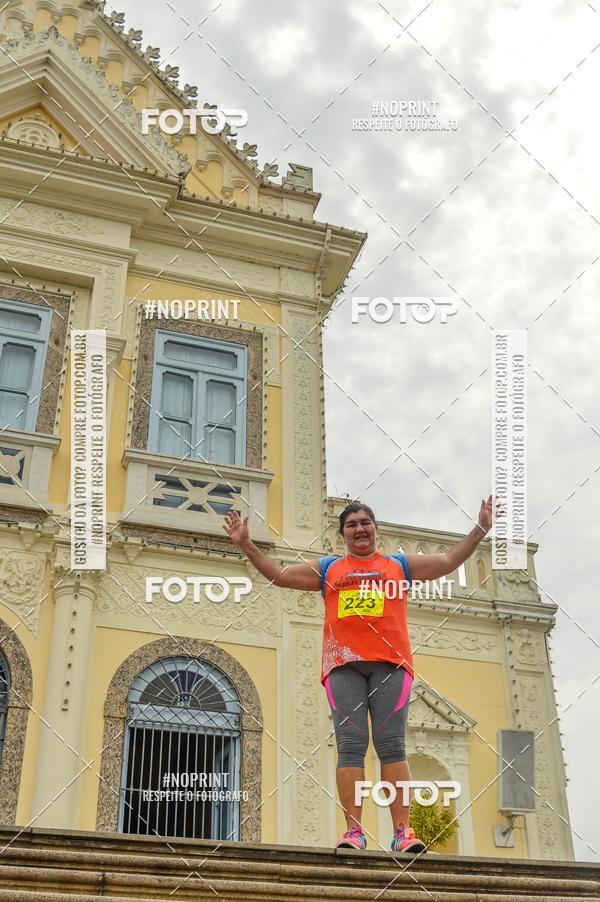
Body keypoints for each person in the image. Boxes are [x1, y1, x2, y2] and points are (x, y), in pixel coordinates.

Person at [223, 496, 493, 853]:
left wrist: (480, 528)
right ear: (343, 535)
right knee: (350, 747)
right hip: (342, 667)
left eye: (365, 522)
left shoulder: (398, 565)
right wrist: (245, 543)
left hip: (391, 666)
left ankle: (402, 832)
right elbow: (281, 576)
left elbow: (447, 562)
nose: (360, 529)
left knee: (392, 746)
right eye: (351, 525)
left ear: (375, 529)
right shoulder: (330, 569)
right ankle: (354, 833)